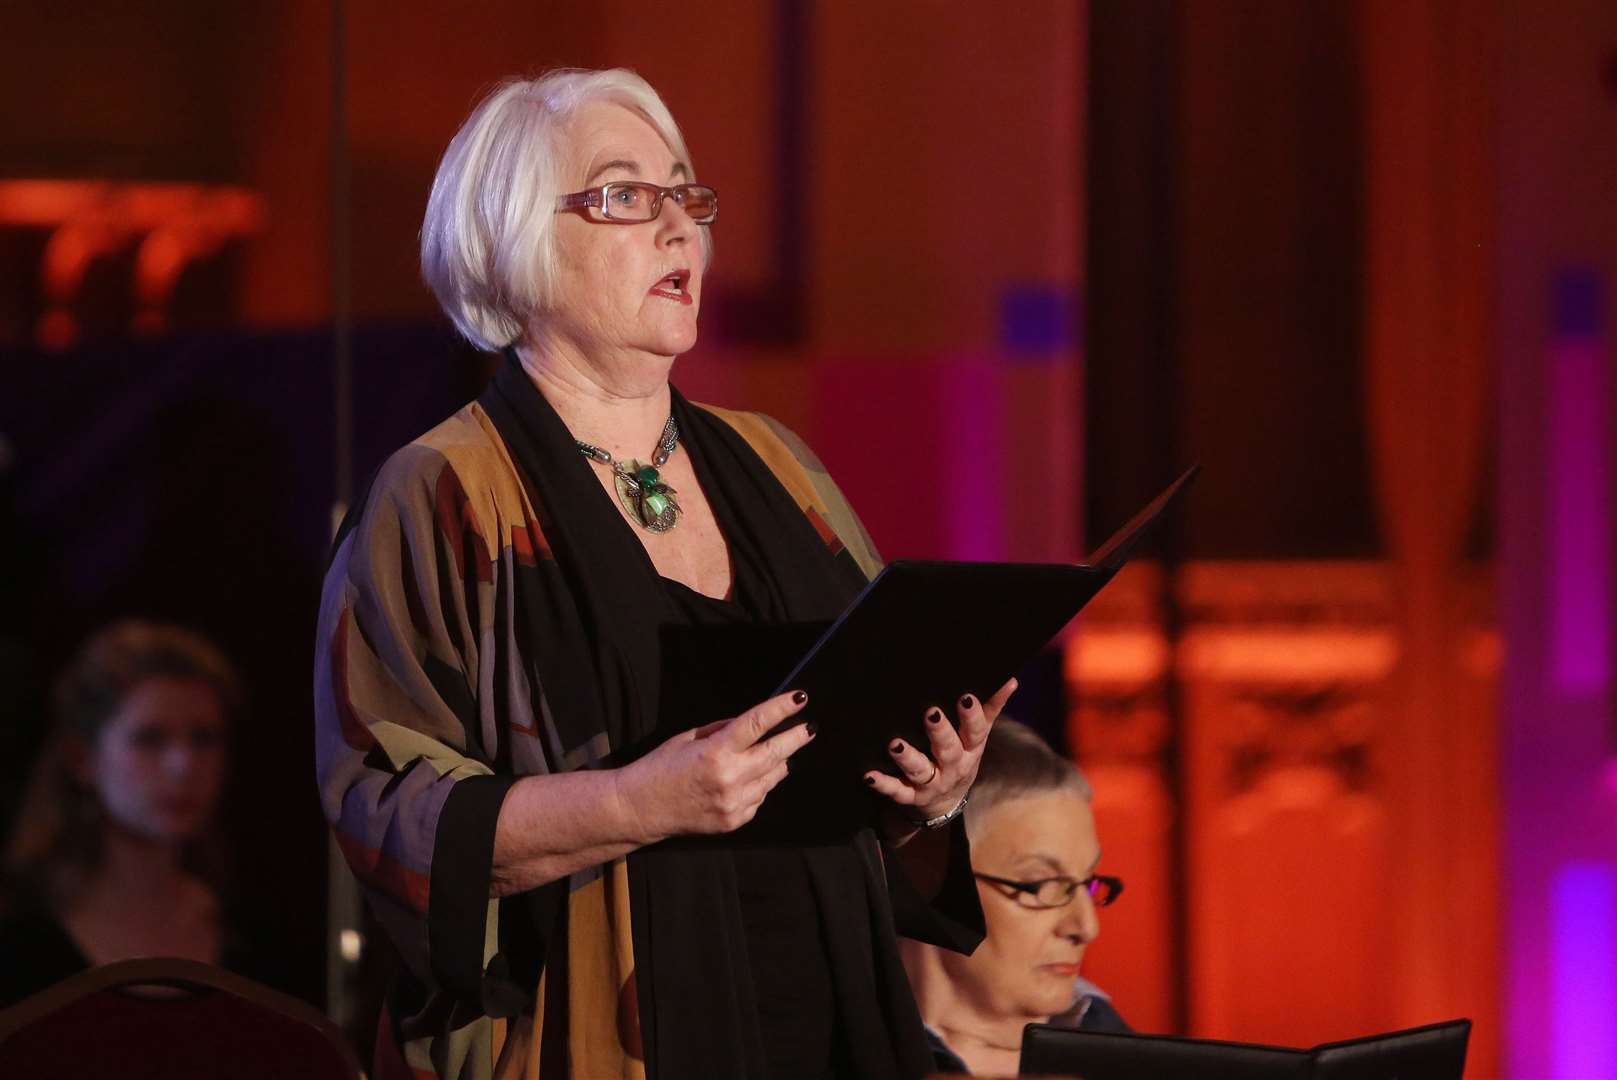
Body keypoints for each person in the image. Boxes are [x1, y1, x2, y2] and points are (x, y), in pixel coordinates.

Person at [315, 67, 1013, 1080]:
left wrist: (928, 795)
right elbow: (388, 813)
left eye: (685, 193)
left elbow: (863, 738)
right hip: (604, 1032)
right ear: (516, 243)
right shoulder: (445, 491)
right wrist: (646, 802)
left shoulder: (779, 465)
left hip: (823, 1014)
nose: (681, 227)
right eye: (625, 196)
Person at [0, 620, 253, 1007]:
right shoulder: (20, 933)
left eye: (204, 738)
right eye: (150, 739)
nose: (183, 765)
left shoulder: (246, 932)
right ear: (83, 758)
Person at [901, 720, 1129, 1076]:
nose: (1086, 927)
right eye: (1041, 884)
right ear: (928, 883)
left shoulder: (1117, 1049)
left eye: (1087, 883)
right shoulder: (819, 1056)